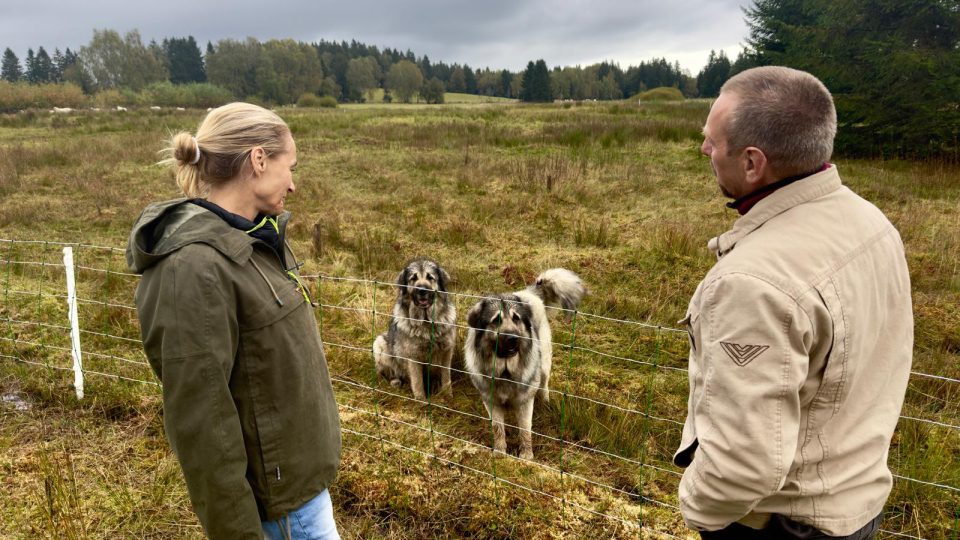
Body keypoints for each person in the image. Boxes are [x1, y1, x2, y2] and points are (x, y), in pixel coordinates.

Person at [674, 66, 913, 539]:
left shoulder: (751, 282)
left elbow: (742, 463)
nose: (703, 149)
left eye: (712, 140)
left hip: (780, 523)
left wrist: (696, 508)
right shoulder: (871, 222)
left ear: (752, 163)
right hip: (856, 505)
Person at [126, 102, 342, 540]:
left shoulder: (254, 238)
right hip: (280, 513)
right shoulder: (194, 268)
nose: (294, 185)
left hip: (299, 494)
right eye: (290, 166)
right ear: (258, 160)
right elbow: (202, 425)